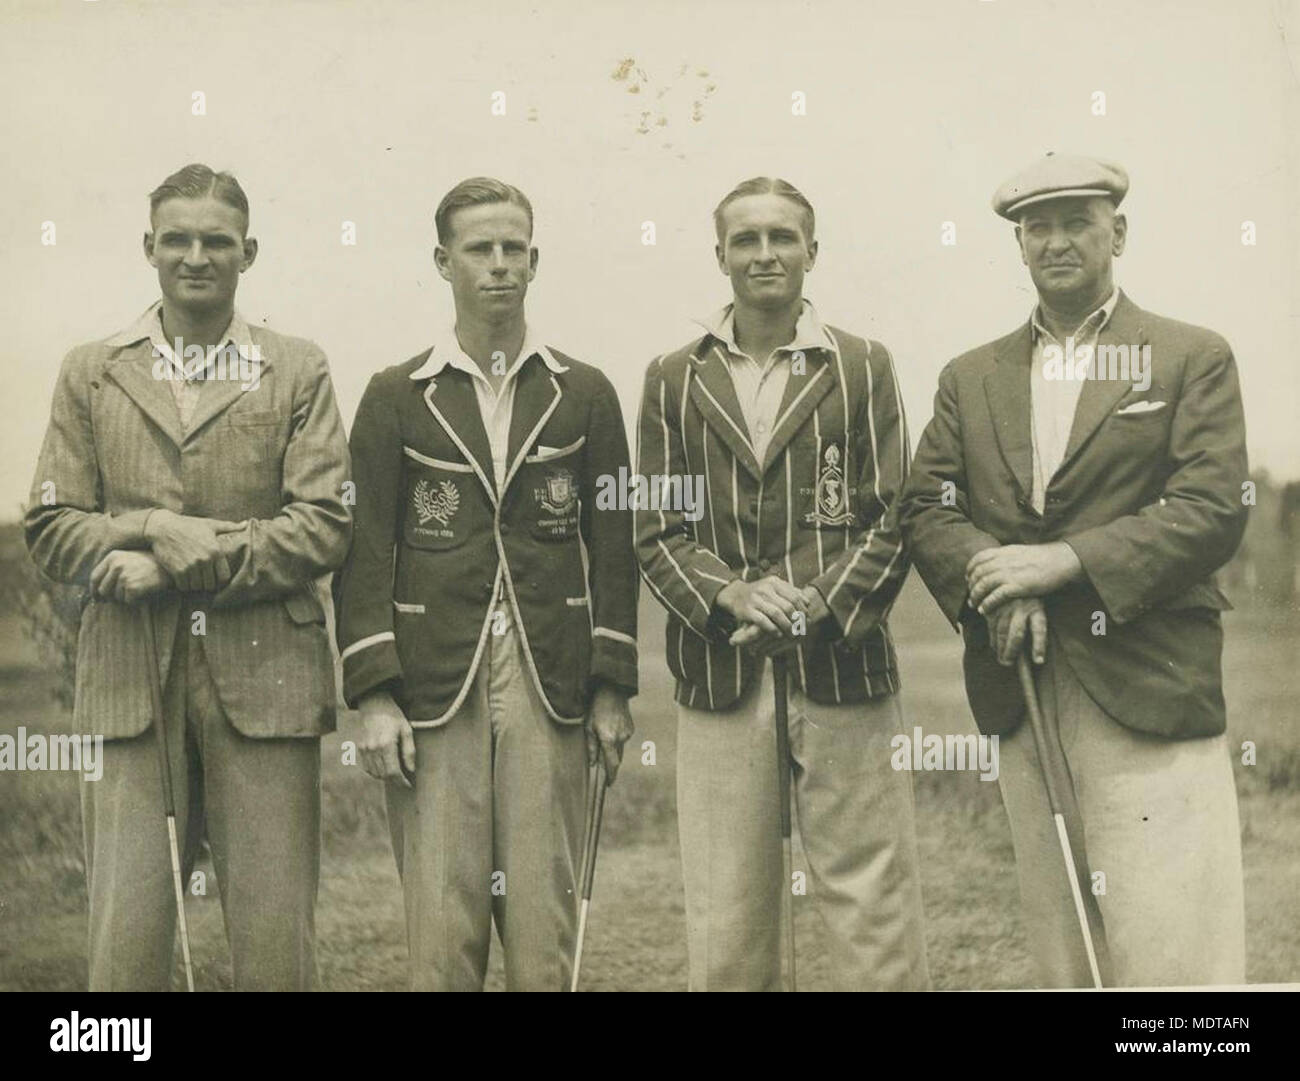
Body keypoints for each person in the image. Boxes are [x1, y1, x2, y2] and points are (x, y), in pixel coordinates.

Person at [900, 153, 1249, 986]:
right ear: (1019, 247)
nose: (1056, 241)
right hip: (1022, 678)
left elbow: (1211, 507)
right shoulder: (970, 375)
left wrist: (1061, 565)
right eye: (1037, 227)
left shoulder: (1188, 355)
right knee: (1065, 940)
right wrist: (995, 574)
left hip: (1146, 674)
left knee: (1172, 940)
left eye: (1077, 222)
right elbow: (926, 507)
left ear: (1117, 234)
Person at [24, 163, 352, 990]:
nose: (196, 255)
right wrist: (147, 524)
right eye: (177, 238)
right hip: (128, 680)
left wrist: (171, 565)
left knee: (276, 946)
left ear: (250, 251)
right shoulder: (90, 368)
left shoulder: (297, 366)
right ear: (149, 248)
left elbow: (322, 526)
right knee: (125, 943)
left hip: (267, 680)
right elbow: (51, 525)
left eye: (216, 240)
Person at [334, 177, 639, 991]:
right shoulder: (397, 395)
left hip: (551, 677)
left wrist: (611, 687)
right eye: (480, 249)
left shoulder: (586, 392)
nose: (499, 265)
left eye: (514, 249)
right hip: (434, 681)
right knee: (443, 929)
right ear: (444, 262)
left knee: (544, 931)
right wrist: (373, 694)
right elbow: (364, 552)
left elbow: (614, 547)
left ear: (534, 261)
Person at [635, 177, 928, 991]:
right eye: (747, 239)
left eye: (783, 237)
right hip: (722, 670)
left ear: (812, 251)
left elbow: (893, 513)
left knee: (871, 899)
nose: (765, 253)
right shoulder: (673, 378)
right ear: (720, 253)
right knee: (727, 912)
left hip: (842, 666)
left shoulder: (862, 365)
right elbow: (655, 529)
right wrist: (731, 594)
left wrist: (814, 608)